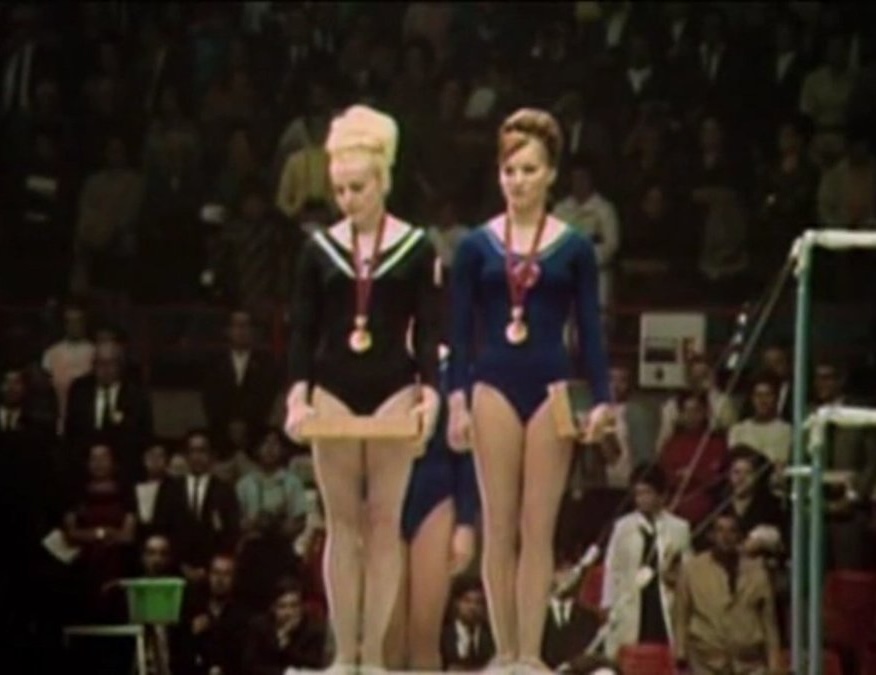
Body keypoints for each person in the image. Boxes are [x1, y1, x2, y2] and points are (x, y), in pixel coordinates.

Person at [447, 107, 612, 671]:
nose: (517, 180)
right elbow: (458, 332)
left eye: (529, 170)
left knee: (538, 528)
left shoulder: (575, 247)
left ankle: (530, 655)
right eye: (509, 170)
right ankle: (504, 652)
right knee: (498, 525)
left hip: (552, 388)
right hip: (492, 383)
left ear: (551, 174)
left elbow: (589, 330)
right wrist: (456, 400)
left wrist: (604, 399)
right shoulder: (475, 246)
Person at [284, 104, 442, 674]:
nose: (348, 199)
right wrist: (297, 396)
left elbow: (430, 330)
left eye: (359, 188)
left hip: (394, 387)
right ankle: (343, 654)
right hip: (333, 388)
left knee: (382, 524)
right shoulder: (318, 250)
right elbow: (302, 330)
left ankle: (372, 655)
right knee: (342, 524)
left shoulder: (417, 247)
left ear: (384, 181)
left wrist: (431, 394)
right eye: (340, 190)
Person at [385, 346, 480, 671]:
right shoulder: (381, 356)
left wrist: (465, 523)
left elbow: (467, 453)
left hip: (435, 497)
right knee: (389, 634)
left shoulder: (455, 369)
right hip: (384, 498)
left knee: (424, 634)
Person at [601, 464, 691, 659]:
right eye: (638, 493)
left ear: (661, 495)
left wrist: (674, 577)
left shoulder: (679, 528)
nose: (642, 499)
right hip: (630, 600)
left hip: (664, 601)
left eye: (648, 493)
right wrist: (608, 602)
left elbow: (688, 569)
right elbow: (612, 567)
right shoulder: (623, 527)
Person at [674, 512, 781, 675]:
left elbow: (769, 622)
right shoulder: (692, 570)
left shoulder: (757, 572)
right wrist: (680, 652)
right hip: (706, 662)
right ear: (711, 536)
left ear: (739, 536)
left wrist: (774, 664)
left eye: (732, 531)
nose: (726, 536)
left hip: (749, 663)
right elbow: (681, 613)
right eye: (720, 530)